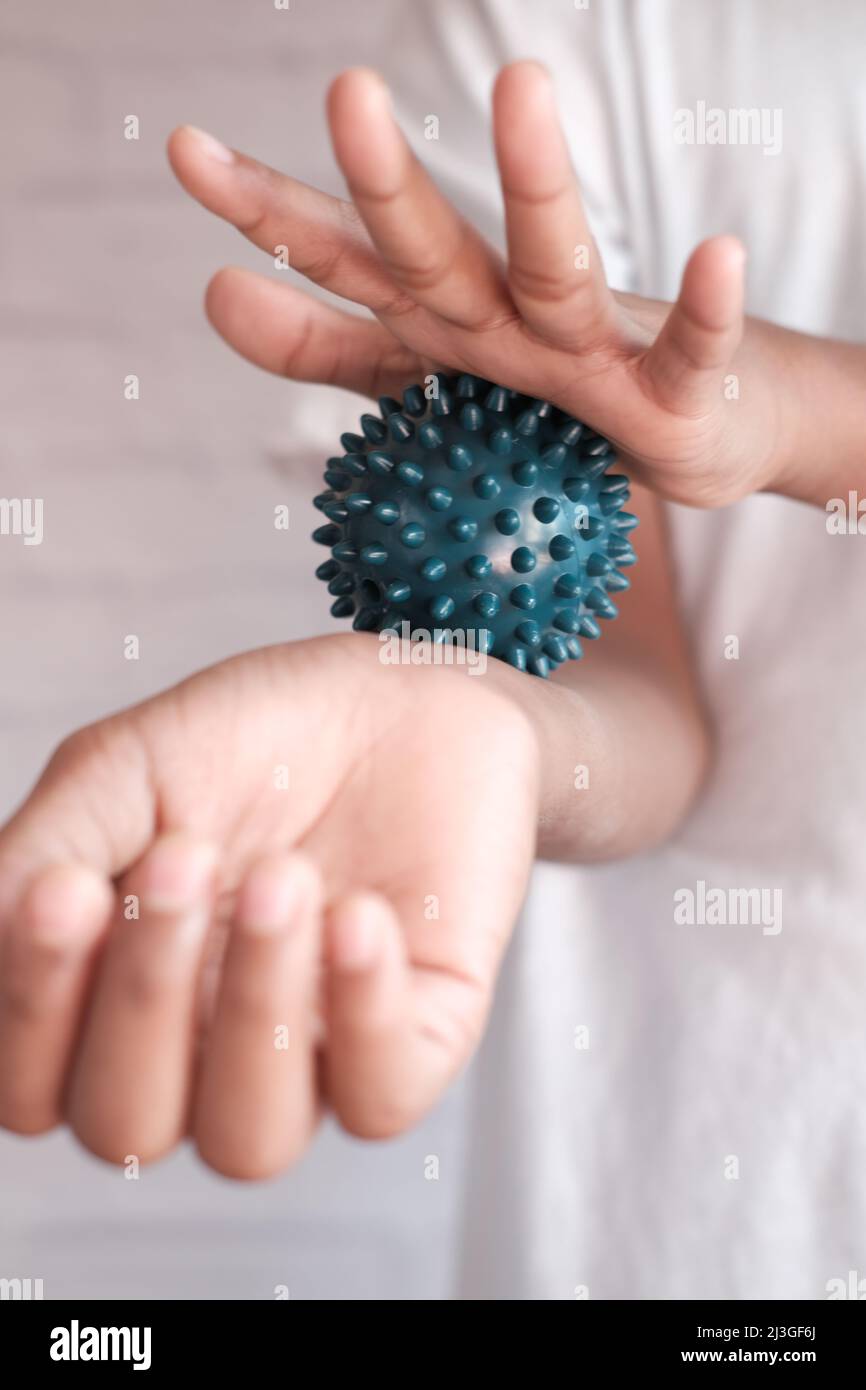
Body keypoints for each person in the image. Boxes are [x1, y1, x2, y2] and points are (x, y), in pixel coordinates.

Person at [2, 1, 865, 1299]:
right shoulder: (545, 36)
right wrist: (486, 726)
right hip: (693, 1205)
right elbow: (630, 701)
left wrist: (803, 417)